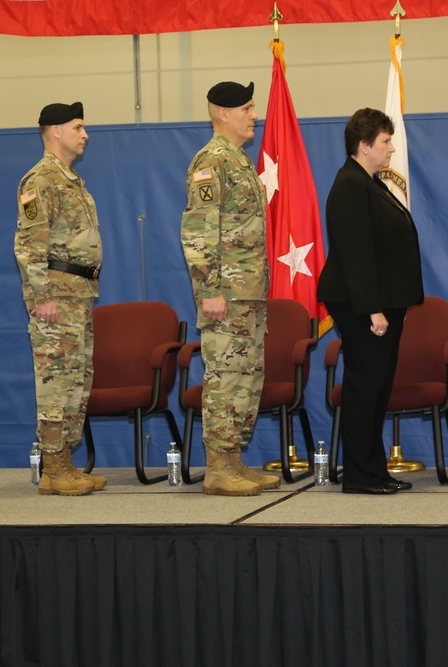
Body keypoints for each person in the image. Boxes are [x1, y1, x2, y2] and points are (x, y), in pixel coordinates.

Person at [180, 81, 280, 496]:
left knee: (246, 379)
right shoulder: (211, 161)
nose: (253, 114)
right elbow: (199, 231)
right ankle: (218, 468)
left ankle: (234, 460)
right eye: (247, 108)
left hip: (249, 294)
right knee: (225, 377)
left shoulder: (239, 160)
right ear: (223, 113)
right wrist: (209, 290)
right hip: (227, 294)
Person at [316, 108, 424, 495]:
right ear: (363, 146)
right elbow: (354, 253)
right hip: (362, 305)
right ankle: (360, 474)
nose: (392, 148)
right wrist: (374, 309)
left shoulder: (368, 182)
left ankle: (373, 469)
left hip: (379, 303)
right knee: (365, 387)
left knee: (377, 387)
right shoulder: (350, 184)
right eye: (384, 142)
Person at [14, 101, 106, 496]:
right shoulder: (40, 180)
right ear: (54, 131)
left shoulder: (70, 180)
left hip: (78, 295)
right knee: (56, 382)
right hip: (56, 297)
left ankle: (62, 466)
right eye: (78, 127)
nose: (85, 134)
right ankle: (53, 463)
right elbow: (28, 245)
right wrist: (42, 296)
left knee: (76, 382)